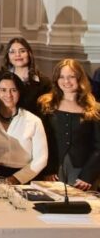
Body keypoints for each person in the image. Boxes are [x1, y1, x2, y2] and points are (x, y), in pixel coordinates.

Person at [0, 72, 48, 184]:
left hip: (25, 179)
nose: (8, 95)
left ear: (20, 92)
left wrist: (16, 178)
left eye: (13, 90)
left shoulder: (34, 121)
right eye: (3, 90)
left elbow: (41, 159)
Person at [38, 60, 100, 188]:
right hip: (52, 172)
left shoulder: (94, 109)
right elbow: (41, 140)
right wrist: (48, 170)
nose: (66, 81)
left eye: (71, 76)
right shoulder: (46, 105)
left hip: (82, 175)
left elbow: (98, 147)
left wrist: (87, 175)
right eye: (61, 77)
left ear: (80, 78)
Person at [2, 37, 50, 116]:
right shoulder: (0, 80)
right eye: (12, 52)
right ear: (8, 56)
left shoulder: (44, 83)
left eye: (22, 51)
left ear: (29, 54)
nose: (17, 55)